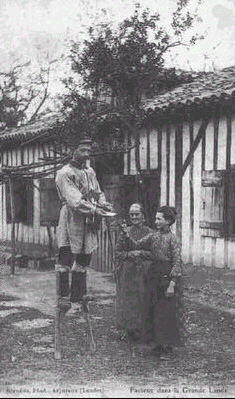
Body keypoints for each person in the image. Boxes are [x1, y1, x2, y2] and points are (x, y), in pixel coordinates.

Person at [55, 137, 115, 312]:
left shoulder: (90, 171)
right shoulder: (64, 173)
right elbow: (75, 199)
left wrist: (104, 204)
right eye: (82, 150)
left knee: (84, 256)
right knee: (66, 255)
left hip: (88, 217)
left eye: (89, 151)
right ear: (72, 150)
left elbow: (97, 192)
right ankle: (63, 296)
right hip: (71, 216)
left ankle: (78, 294)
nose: (86, 154)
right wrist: (94, 209)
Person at [120, 205, 184, 358]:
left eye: (158, 219)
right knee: (152, 309)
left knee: (165, 312)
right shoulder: (153, 236)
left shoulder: (173, 240)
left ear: (168, 221)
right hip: (153, 274)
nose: (155, 221)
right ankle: (157, 344)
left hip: (166, 276)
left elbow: (176, 262)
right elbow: (136, 244)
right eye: (155, 218)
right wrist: (125, 232)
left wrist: (172, 283)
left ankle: (165, 346)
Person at [115, 203, 154, 341]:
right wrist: (129, 255)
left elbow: (154, 253)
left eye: (137, 214)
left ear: (143, 215)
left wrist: (141, 253)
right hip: (128, 270)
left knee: (143, 298)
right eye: (131, 214)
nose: (134, 217)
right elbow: (118, 253)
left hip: (144, 269)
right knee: (128, 300)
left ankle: (143, 329)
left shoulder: (150, 233)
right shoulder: (125, 232)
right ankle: (129, 330)